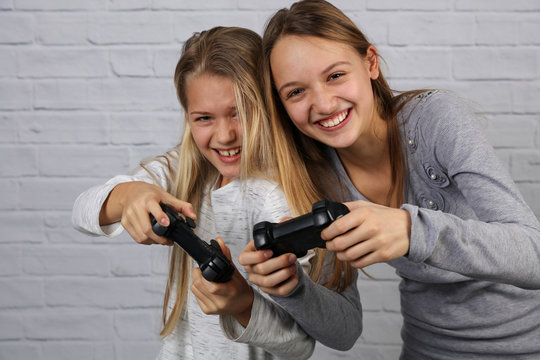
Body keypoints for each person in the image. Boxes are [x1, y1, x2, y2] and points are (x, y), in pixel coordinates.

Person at [240, 1, 540, 359]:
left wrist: (413, 230)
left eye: (335, 75)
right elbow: (345, 332)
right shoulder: (316, 175)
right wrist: (293, 290)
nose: (322, 103)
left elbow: (533, 254)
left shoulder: (435, 119)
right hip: (425, 350)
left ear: (370, 63)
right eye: (296, 92)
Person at [72, 27, 323, 360]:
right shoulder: (185, 169)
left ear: (269, 106)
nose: (225, 135)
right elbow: (82, 211)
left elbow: (301, 345)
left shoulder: (282, 198)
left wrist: (243, 304)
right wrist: (129, 195)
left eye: (240, 112)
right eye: (204, 118)